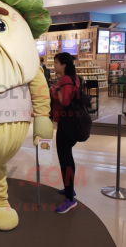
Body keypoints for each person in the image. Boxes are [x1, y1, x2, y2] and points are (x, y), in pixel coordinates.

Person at [50, 52, 81, 214]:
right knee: (68, 157)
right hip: (72, 124)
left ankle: (70, 199)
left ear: (64, 65)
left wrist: (56, 90)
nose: (54, 66)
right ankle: (71, 190)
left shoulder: (65, 80)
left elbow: (65, 101)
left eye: (56, 63)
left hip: (66, 125)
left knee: (64, 161)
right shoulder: (74, 78)